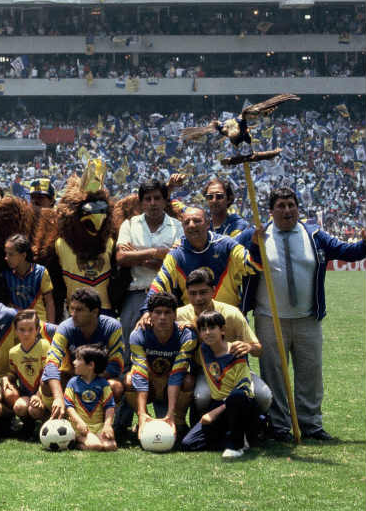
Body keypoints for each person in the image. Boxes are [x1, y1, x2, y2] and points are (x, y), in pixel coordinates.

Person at [239, 187, 366, 442]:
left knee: (310, 373)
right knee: (274, 373)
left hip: (307, 318)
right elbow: (239, 263)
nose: (287, 210)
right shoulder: (256, 236)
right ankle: (280, 426)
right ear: (271, 211)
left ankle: (311, 425)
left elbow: (348, 252)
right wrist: (252, 247)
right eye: (281, 206)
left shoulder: (314, 235)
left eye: (291, 205)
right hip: (270, 319)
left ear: (298, 208)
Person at [181, 311, 260, 459]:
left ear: (222, 330)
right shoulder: (203, 350)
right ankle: (243, 437)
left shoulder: (236, 351)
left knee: (236, 396)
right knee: (189, 444)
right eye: (203, 329)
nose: (207, 332)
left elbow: (245, 390)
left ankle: (236, 445)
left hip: (239, 404)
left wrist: (214, 413)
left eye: (212, 328)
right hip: (218, 404)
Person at [147, 206, 257, 309]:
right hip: (195, 323)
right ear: (183, 227)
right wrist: (147, 310)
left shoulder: (226, 245)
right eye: (187, 222)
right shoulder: (176, 255)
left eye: (197, 221)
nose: (191, 225)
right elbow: (158, 285)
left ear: (208, 224)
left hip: (229, 319)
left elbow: (252, 266)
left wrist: (256, 247)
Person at [42, 287, 125, 419]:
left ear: (95, 312)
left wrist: (88, 379)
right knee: (46, 384)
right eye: (71, 308)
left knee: (115, 387)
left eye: (79, 310)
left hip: (100, 377)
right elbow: (51, 363)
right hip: (72, 376)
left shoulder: (112, 327)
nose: (73, 314)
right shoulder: (65, 327)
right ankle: (58, 421)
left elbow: (116, 365)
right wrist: (58, 397)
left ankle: (103, 425)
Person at [116, 179, 183, 341]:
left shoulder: (177, 227)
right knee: (130, 346)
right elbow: (121, 257)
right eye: (148, 199)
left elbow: (178, 264)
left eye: (157, 198)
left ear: (165, 201)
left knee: (167, 347)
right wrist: (155, 252)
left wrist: (138, 257)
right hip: (136, 294)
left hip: (168, 297)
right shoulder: (130, 224)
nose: (153, 203)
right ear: (141, 203)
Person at [126, 293, 196, 438]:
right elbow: (140, 374)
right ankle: (144, 420)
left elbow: (177, 374)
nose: (162, 317)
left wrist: (170, 412)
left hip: (170, 384)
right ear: (149, 315)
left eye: (167, 312)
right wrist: (141, 413)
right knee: (129, 380)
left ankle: (178, 421)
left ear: (175, 315)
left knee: (188, 381)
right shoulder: (138, 334)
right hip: (150, 382)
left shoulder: (186, 335)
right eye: (157, 312)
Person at [64, 344, 117, 452]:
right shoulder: (73, 382)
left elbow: (109, 406)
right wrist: (79, 422)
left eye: (78, 359)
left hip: (98, 426)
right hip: (80, 426)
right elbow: (69, 406)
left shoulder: (103, 384)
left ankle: (93, 439)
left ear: (91, 365)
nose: (74, 362)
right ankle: (75, 441)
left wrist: (107, 426)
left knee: (110, 446)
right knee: (95, 446)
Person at [3, 309, 50, 431]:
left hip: (44, 393)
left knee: (34, 410)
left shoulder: (45, 346)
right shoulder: (13, 352)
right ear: (16, 331)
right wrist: (7, 379)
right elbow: (13, 373)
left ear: (37, 330)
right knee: (19, 407)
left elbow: (48, 375)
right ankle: (28, 425)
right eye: (22, 330)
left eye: (30, 329)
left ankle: (49, 423)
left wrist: (39, 395)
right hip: (27, 394)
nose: (26, 334)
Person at [1, 233, 55, 323]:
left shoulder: (41, 272)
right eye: (6, 253)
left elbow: (49, 302)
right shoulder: (6, 275)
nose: (6, 258)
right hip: (18, 326)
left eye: (11, 254)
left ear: (23, 255)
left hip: (39, 324)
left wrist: (51, 327)